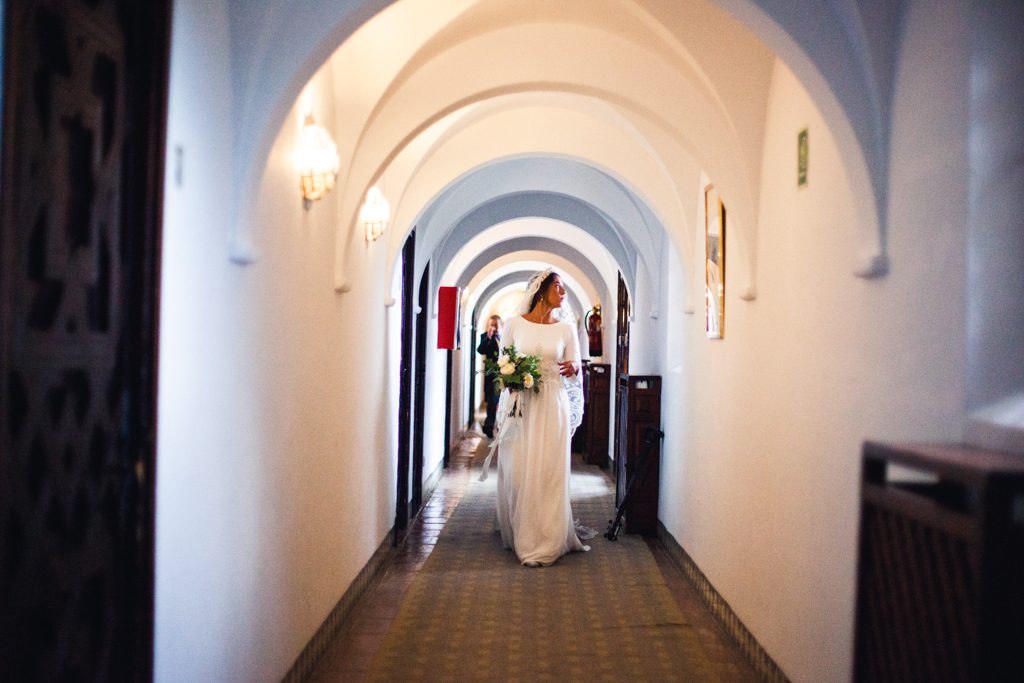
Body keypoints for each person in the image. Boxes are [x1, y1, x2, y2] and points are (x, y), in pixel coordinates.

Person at [490, 269, 590, 567]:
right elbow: (502, 364)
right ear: (541, 290)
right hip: (523, 405)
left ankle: (546, 541)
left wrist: (574, 369)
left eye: (564, 288)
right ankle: (523, 532)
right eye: (558, 286)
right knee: (520, 471)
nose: (563, 293)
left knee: (548, 473)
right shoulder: (513, 324)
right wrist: (512, 377)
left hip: (552, 404)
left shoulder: (566, 329)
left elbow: (575, 367)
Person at [476, 314, 502, 438]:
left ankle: (499, 426)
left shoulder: (505, 337)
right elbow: (481, 350)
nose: (494, 327)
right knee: (492, 401)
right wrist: (488, 337)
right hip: (492, 375)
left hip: (506, 373)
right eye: (492, 324)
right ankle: (489, 426)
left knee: (502, 401)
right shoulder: (485, 337)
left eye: (496, 325)